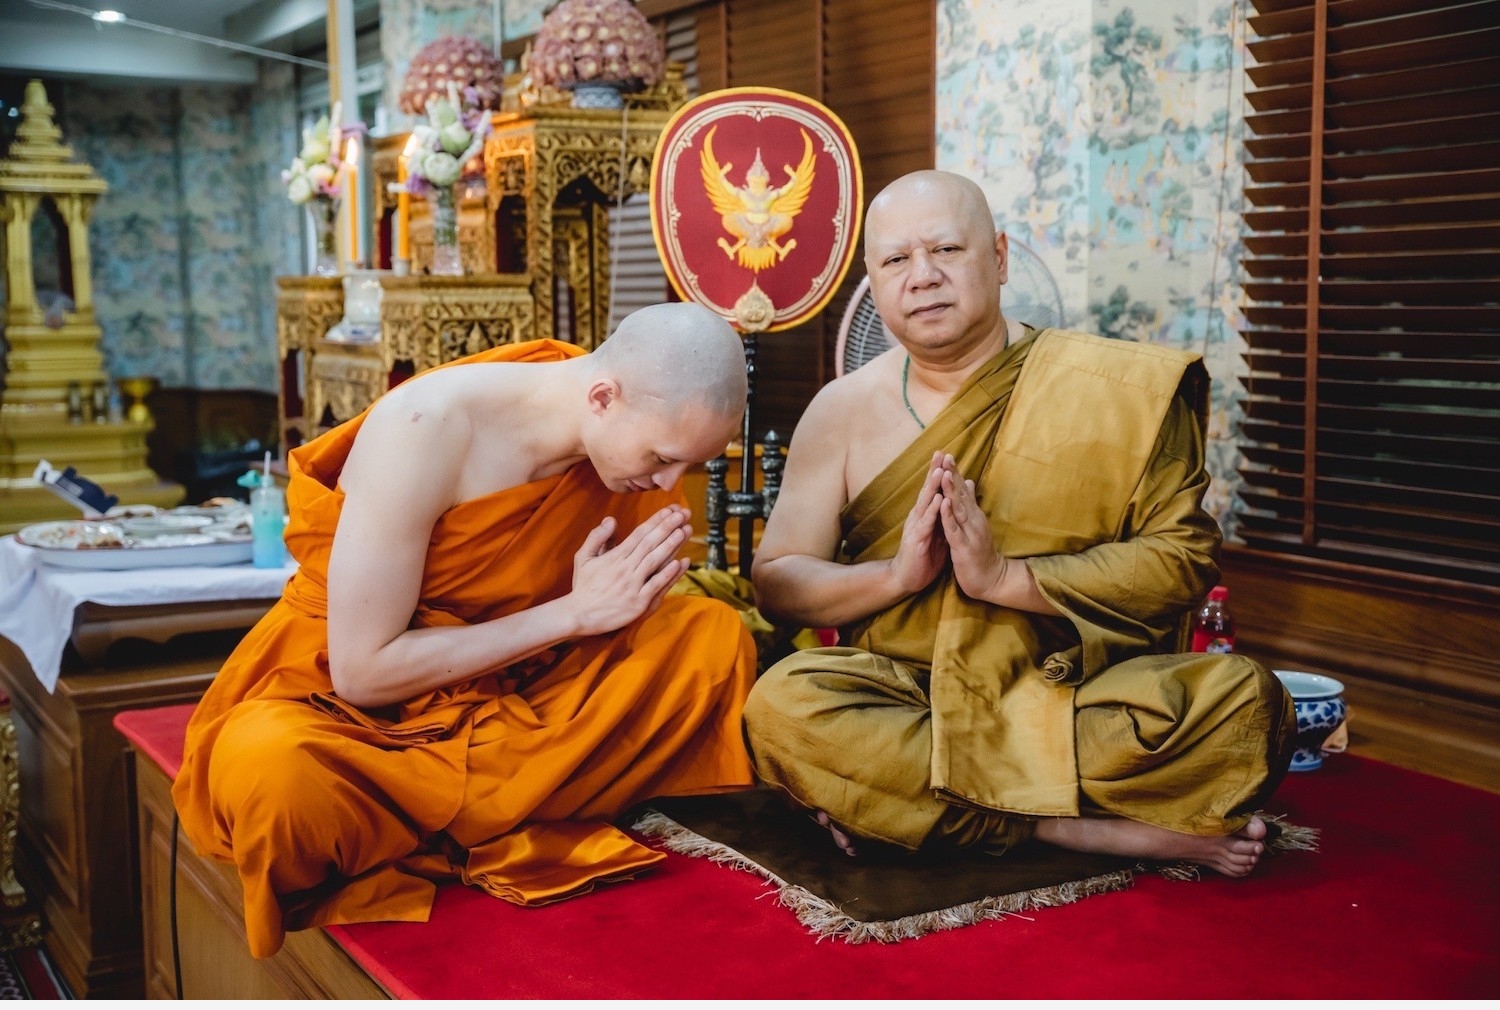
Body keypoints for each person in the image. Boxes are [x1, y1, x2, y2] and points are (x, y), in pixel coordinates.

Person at [746, 171, 1295, 877]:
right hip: (910, 695)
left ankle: (905, 807)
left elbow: (1182, 562)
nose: (922, 276)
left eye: (946, 249)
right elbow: (778, 584)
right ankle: (1082, 830)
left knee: (1248, 705)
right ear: (874, 284)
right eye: (895, 260)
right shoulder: (840, 410)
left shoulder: (1115, 392)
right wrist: (897, 576)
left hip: (1075, 694)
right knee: (784, 707)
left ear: (999, 258)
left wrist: (1007, 578)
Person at [173, 303, 757, 959]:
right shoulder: (425, 429)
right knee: (273, 775)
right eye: (662, 457)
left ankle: (431, 818)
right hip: (350, 706)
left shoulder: (615, 447)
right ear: (602, 397)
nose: (668, 482)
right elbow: (362, 672)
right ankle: (499, 808)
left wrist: (606, 608)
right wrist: (572, 614)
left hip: (510, 685)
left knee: (710, 640)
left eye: (689, 467)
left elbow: (589, 619)